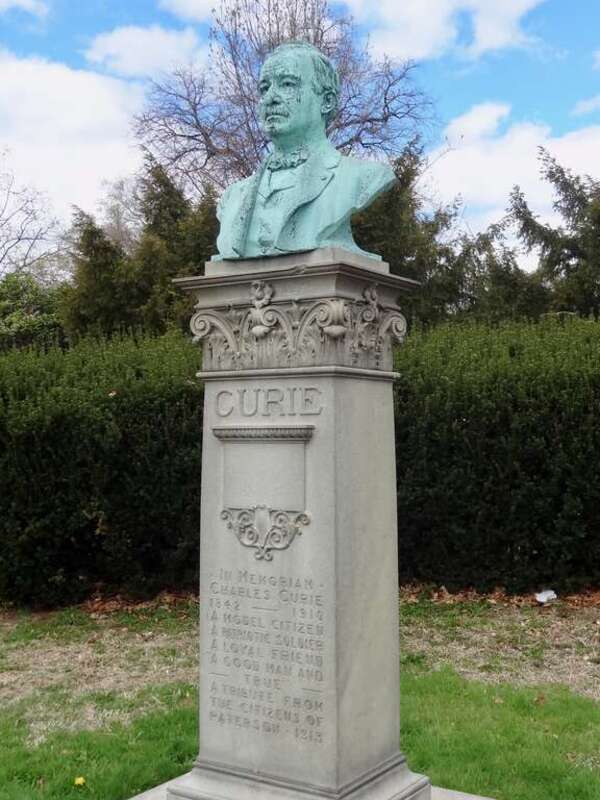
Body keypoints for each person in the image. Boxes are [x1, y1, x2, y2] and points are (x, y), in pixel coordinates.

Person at [214, 41, 395, 261]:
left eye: (288, 84)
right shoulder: (232, 197)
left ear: (327, 101)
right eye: (264, 88)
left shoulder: (361, 177)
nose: (270, 98)